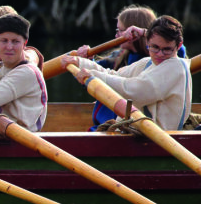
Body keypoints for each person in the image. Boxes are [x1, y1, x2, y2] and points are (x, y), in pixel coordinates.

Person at [61, 15, 191, 131]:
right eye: (155, 47)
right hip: (137, 134)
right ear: (147, 42)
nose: (160, 54)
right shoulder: (148, 62)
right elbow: (115, 75)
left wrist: (93, 75)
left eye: (167, 49)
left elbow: (133, 91)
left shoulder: (176, 67)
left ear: (178, 46)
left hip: (155, 140)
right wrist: (80, 63)